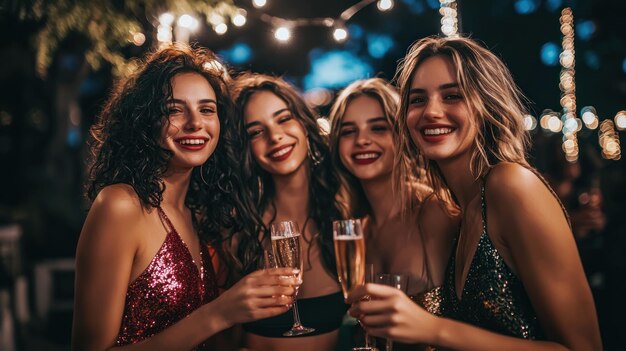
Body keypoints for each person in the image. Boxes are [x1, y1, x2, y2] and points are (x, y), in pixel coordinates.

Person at [347, 36, 602, 350]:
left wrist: (433, 329)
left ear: (486, 104)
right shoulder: (462, 207)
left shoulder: (511, 184)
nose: (431, 112)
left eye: (452, 95)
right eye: (417, 100)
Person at [71, 45, 300, 351]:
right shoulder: (121, 204)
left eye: (207, 109)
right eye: (174, 110)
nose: (195, 123)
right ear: (145, 120)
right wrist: (219, 313)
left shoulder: (198, 213)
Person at [228, 73, 345, 351]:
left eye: (283, 119)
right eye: (256, 132)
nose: (275, 136)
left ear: (304, 124)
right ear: (246, 148)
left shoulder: (344, 211)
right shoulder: (235, 228)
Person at [328, 77, 457, 313]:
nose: (362, 140)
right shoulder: (358, 232)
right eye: (348, 132)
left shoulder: (434, 211)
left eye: (378, 128)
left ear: (402, 137)